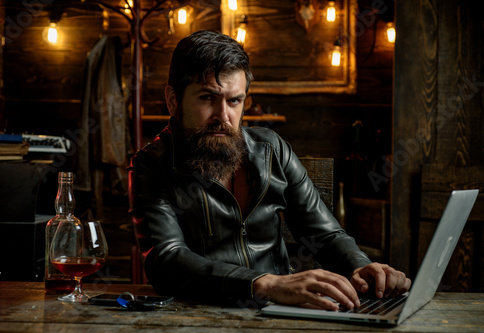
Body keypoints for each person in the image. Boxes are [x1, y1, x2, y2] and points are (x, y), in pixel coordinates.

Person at [128, 30, 411, 310]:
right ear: (173, 99)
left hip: (280, 313)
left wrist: (361, 269)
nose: (223, 116)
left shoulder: (272, 149)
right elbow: (167, 260)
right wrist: (266, 284)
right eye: (206, 98)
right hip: (199, 315)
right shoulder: (150, 165)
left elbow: (325, 235)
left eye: (234, 101)